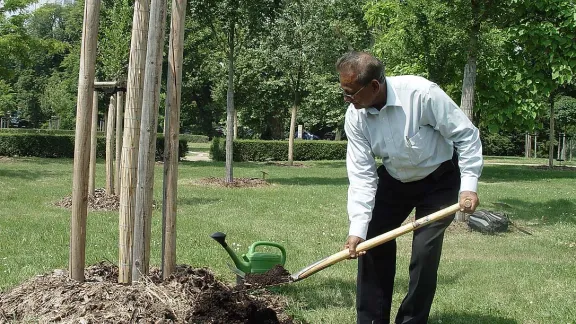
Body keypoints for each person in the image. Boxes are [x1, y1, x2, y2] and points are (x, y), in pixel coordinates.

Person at [337, 51, 483, 324]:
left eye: (351, 93)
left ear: (374, 87)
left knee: (424, 254)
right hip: (395, 180)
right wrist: (357, 229)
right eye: (343, 93)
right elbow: (362, 174)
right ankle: (371, 320)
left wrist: (469, 185)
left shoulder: (421, 94)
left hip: (439, 179)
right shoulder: (355, 117)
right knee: (370, 242)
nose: (347, 100)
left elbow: (466, 135)